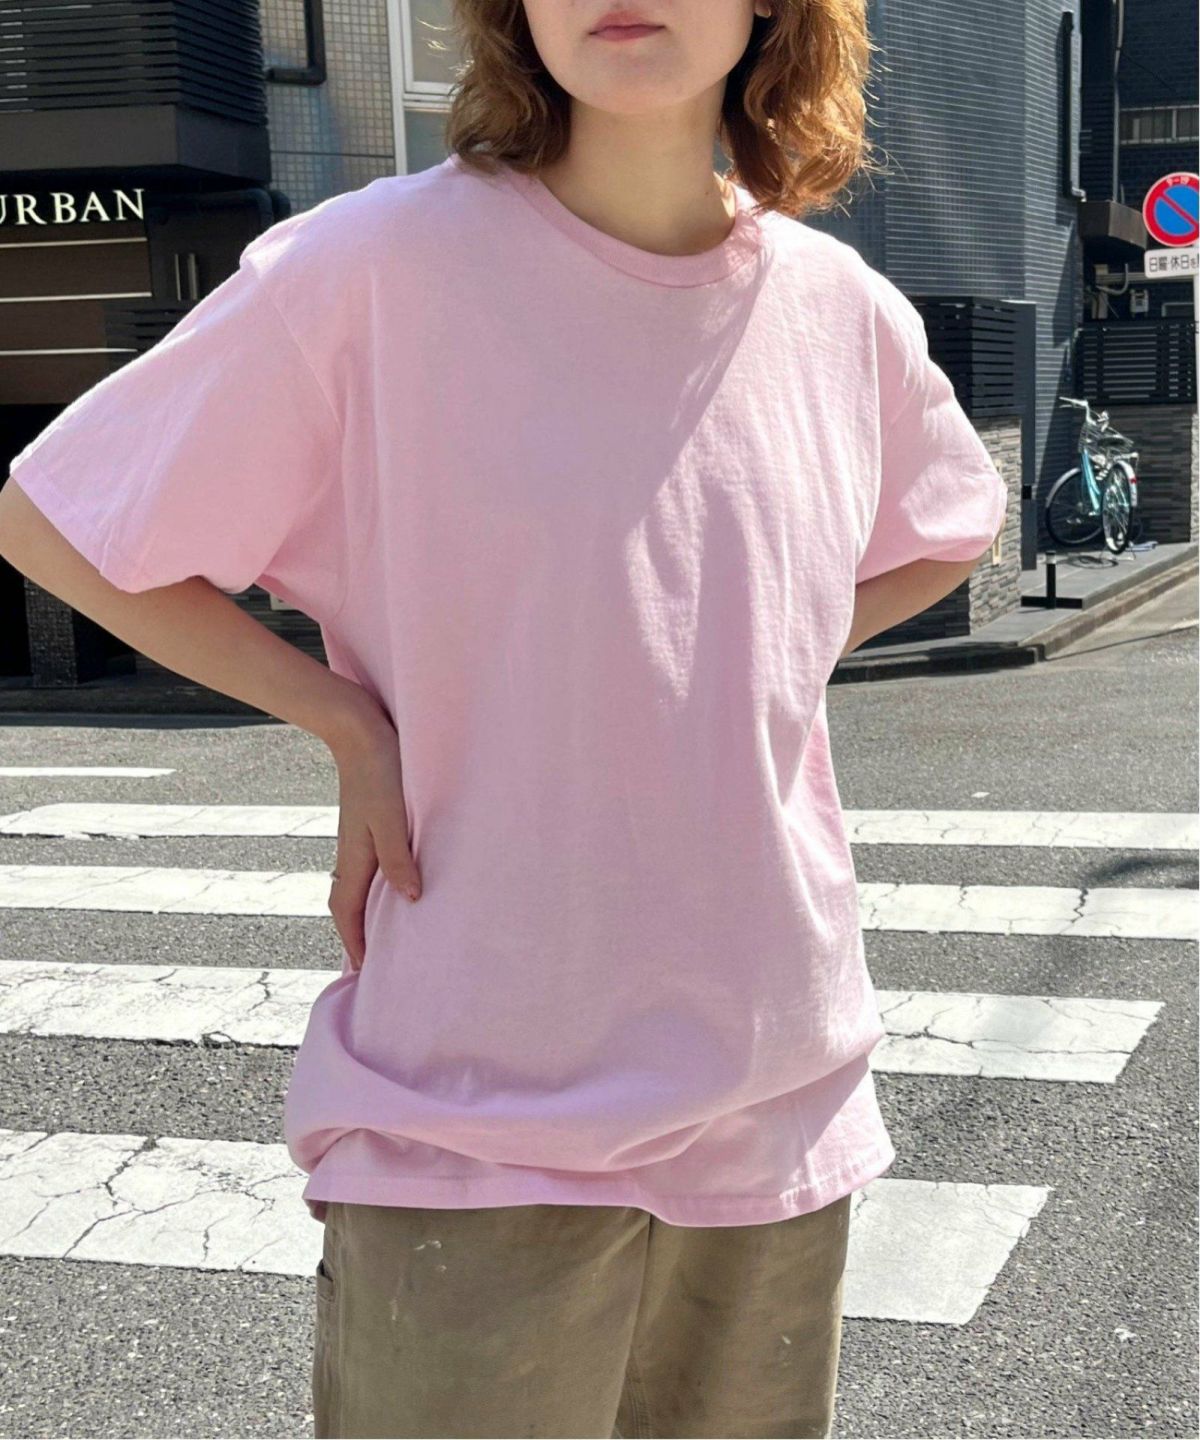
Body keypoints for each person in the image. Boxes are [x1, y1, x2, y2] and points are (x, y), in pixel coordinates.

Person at [0, 0, 1008, 1435]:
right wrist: (345, 721)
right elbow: (57, 519)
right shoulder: (375, 268)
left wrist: (771, 647)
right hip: (471, 1115)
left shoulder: (839, 311)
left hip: (777, 1100)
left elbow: (952, 523)